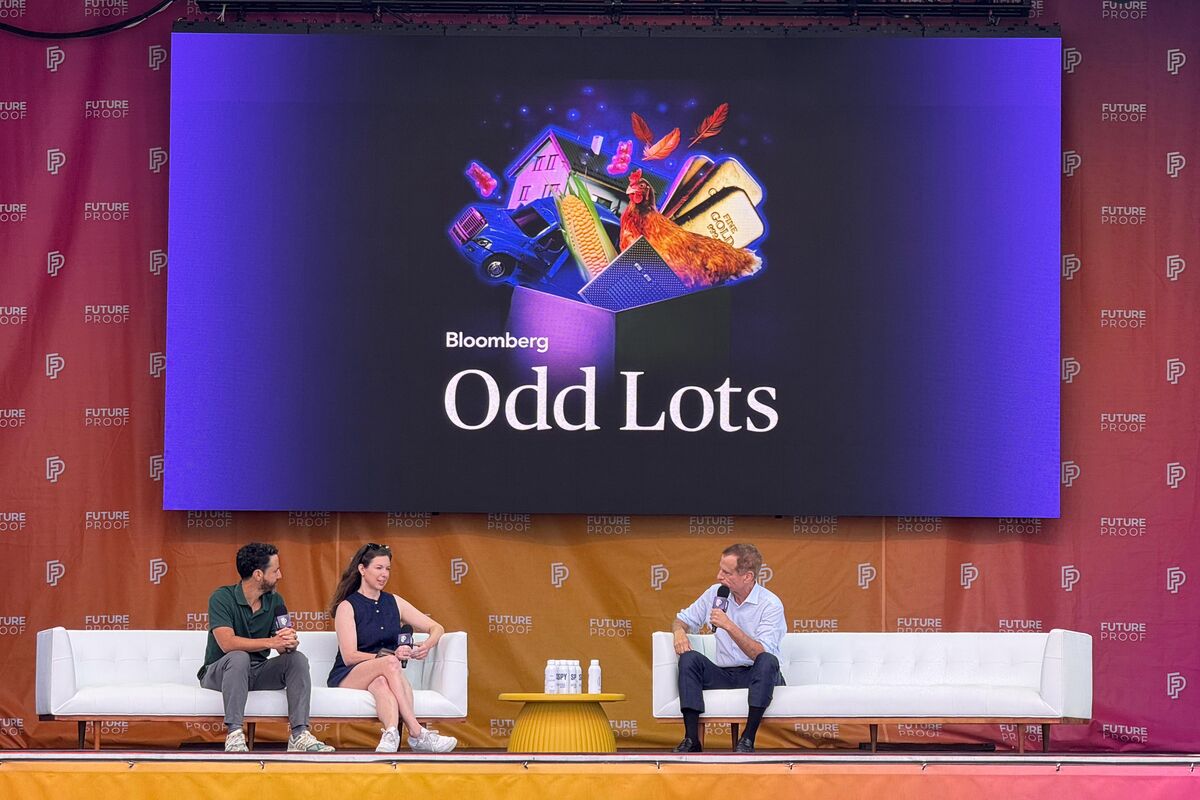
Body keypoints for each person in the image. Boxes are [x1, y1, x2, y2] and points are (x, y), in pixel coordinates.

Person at [199, 542, 334, 753]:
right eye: (275, 570)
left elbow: (282, 646)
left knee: (297, 659)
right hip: (220, 672)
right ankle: (234, 735)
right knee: (239, 657)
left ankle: (299, 735)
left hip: (257, 671)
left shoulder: (275, 601)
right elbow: (227, 644)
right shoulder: (222, 597)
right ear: (258, 575)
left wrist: (288, 643)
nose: (280, 575)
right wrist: (272, 642)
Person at [327, 543, 457, 753]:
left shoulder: (394, 601)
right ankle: (417, 732)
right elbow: (349, 656)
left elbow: (436, 628)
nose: (384, 574)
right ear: (362, 569)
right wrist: (386, 656)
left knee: (381, 682)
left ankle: (389, 735)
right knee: (390, 662)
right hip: (348, 673)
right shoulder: (347, 606)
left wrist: (425, 646)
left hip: (385, 671)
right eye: (378, 568)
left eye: (387, 569)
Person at [671, 543, 785, 753]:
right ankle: (691, 739)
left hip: (758, 675)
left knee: (767, 661)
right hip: (724, 673)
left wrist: (729, 625)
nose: (719, 576)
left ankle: (747, 739)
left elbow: (761, 654)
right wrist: (679, 632)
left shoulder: (770, 604)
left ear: (748, 577)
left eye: (726, 572)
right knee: (689, 659)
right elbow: (682, 620)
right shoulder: (716, 594)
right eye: (720, 569)